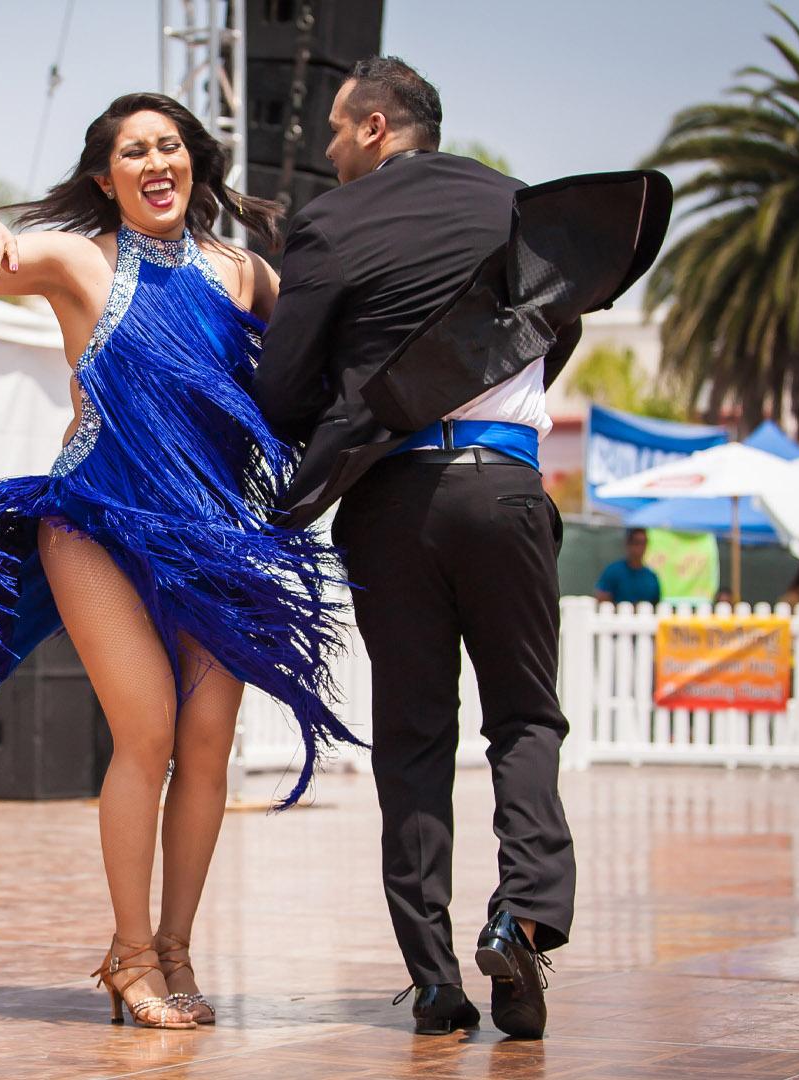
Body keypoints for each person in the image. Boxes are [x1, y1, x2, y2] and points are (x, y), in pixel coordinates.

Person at [0, 93, 360, 1030]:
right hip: (95, 525)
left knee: (207, 748)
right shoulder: (79, 258)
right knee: (146, 729)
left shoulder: (242, 274)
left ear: (194, 162)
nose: (157, 162)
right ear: (107, 178)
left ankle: (176, 947)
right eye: (135, 151)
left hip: (216, 540)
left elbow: (329, 347)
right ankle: (131, 953)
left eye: (171, 146)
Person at [253, 56, 669, 1040]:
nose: (324, 150)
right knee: (526, 720)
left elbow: (279, 392)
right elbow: (554, 325)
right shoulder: (519, 209)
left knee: (413, 740)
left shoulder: (330, 226)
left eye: (335, 129)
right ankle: (522, 916)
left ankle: (433, 979)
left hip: (390, 507)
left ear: (374, 129)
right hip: (503, 486)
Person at [595, 528, 662, 605]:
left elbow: (656, 606)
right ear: (628, 544)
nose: (640, 548)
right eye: (636, 543)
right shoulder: (613, 572)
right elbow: (602, 600)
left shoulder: (651, 577)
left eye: (643, 543)